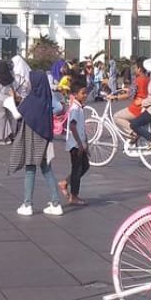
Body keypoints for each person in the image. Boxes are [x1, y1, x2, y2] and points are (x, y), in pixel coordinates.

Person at [9, 71, 62, 216]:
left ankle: (27, 204)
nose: (28, 83)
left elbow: (18, 114)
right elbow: (58, 108)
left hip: (31, 137)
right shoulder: (46, 98)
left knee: (30, 168)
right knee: (47, 169)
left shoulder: (31, 99)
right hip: (44, 138)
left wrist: (10, 103)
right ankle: (56, 203)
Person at [58, 78, 90, 206]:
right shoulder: (75, 109)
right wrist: (80, 144)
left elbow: (81, 128)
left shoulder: (79, 107)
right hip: (75, 145)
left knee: (85, 166)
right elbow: (72, 126)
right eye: (83, 93)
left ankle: (65, 182)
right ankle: (74, 196)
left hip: (79, 144)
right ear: (75, 94)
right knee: (77, 169)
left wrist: (85, 144)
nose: (85, 95)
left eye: (86, 92)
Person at [112, 58, 147, 141]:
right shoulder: (148, 79)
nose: (134, 69)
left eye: (135, 67)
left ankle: (134, 132)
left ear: (139, 69)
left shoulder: (138, 80)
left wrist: (115, 97)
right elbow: (138, 91)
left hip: (137, 108)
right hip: (146, 107)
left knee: (116, 117)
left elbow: (129, 95)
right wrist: (128, 89)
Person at [0, 58, 15, 144]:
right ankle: (9, 136)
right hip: (9, 99)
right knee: (8, 118)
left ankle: (1, 137)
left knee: (0, 119)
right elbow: (12, 88)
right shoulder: (10, 77)